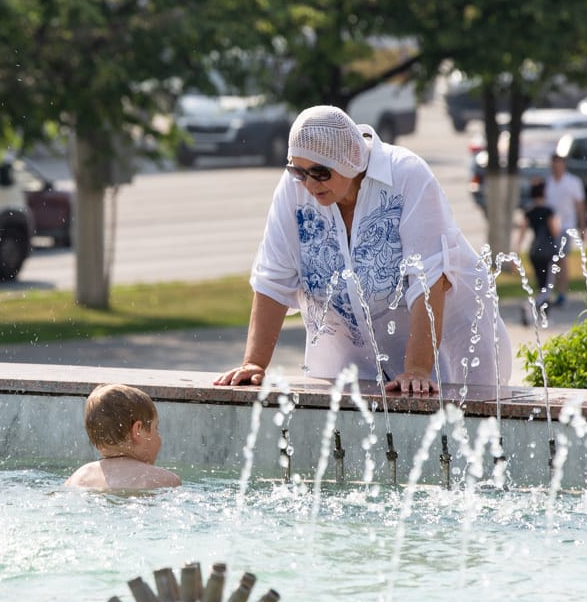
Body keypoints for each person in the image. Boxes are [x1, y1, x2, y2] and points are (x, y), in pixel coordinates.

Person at [214, 105, 511, 396]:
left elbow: (429, 278)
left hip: (453, 360)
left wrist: (418, 370)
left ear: (349, 161)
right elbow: (273, 278)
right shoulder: (294, 188)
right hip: (354, 368)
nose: (308, 183)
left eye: (319, 172)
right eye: (298, 171)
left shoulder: (406, 176)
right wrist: (254, 363)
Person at [64, 383, 181, 490]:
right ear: (138, 430)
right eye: (156, 429)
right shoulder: (163, 479)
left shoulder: (79, 477)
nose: (159, 438)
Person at [542, 152, 586, 307]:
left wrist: (582, 227)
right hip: (551, 227)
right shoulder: (548, 183)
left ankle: (562, 293)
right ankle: (547, 292)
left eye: (559, 163)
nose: (556, 167)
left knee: (561, 258)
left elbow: (579, 206)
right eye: (554, 163)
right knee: (549, 260)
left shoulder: (572, 182)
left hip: (566, 226)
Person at [514, 180, 561, 311]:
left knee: (540, 282)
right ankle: (531, 306)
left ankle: (543, 310)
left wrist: (517, 249)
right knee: (548, 285)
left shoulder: (529, 211)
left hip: (534, 251)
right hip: (548, 252)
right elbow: (554, 231)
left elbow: (522, 231)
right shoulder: (548, 211)